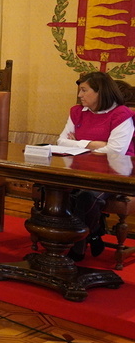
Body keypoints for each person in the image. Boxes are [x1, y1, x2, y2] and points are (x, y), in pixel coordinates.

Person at [56, 72, 134, 260]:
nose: (80, 95)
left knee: (86, 196)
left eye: (84, 90)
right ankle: (94, 231)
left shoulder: (121, 114)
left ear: (101, 92)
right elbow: (61, 141)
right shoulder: (76, 111)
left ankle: (79, 247)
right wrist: (96, 144)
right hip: (82, 169)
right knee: (57, 189)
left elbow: (115, 151)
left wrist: (79, 142)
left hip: (117, 172)